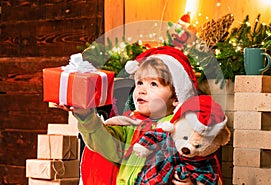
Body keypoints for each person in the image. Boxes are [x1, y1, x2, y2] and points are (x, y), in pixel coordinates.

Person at [57, 46, 199, 184]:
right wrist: (86, 116)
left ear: (176, 98)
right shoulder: (128, 126)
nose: (141, 90)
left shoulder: (182, 130)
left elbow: (203, 168)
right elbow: (104, 144)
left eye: (154, 84)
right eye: (140, 82)